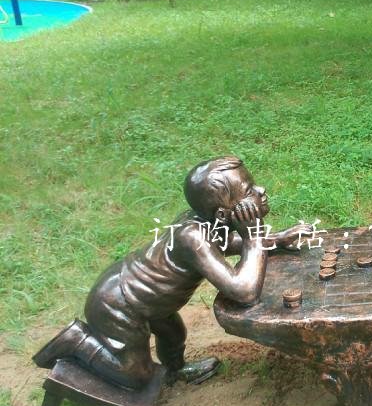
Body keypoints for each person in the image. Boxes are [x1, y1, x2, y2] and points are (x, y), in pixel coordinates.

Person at [33, 157, 307, 389]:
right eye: (248, 192)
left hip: (149, 301)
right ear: (223, 215)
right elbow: (244, 292)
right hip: (119, 303)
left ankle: (176, 371)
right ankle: (77, 340)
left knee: (174, 334)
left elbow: (226, 244)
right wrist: (254, 238)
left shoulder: (206, 224)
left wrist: (277, 239)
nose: (260, 190)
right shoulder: (191, 236)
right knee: (136, 376)